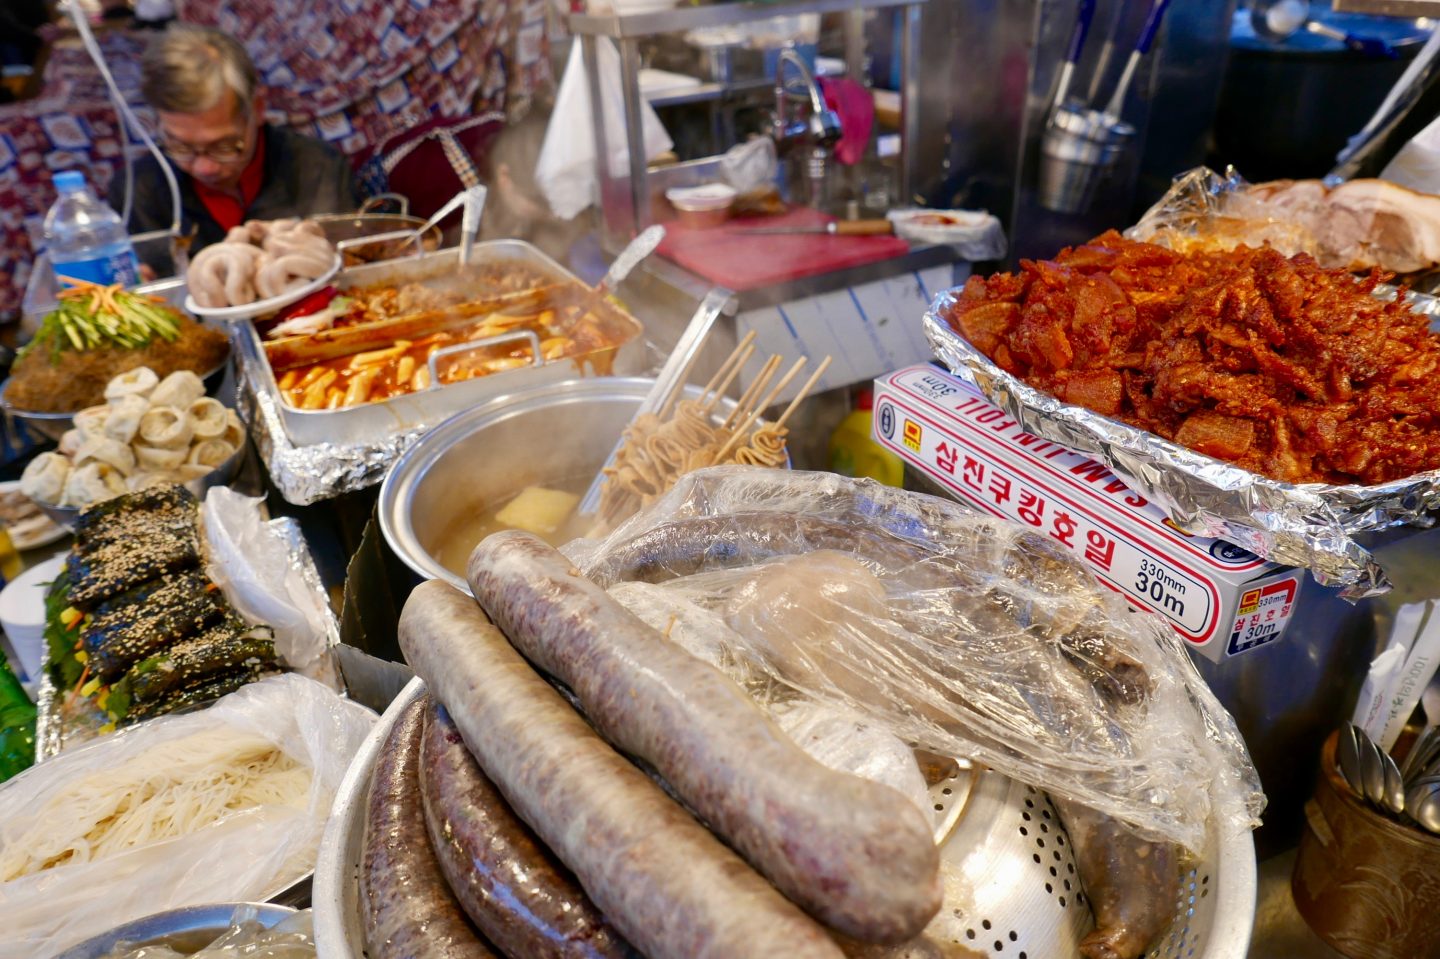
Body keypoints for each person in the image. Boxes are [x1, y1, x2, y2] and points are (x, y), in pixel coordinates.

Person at [110, 24, 361, 265]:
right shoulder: (137, 192)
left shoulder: (316, 170)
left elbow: (350, 265)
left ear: (258, 109)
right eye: (181, 147)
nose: (204, 168)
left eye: (224, 146)